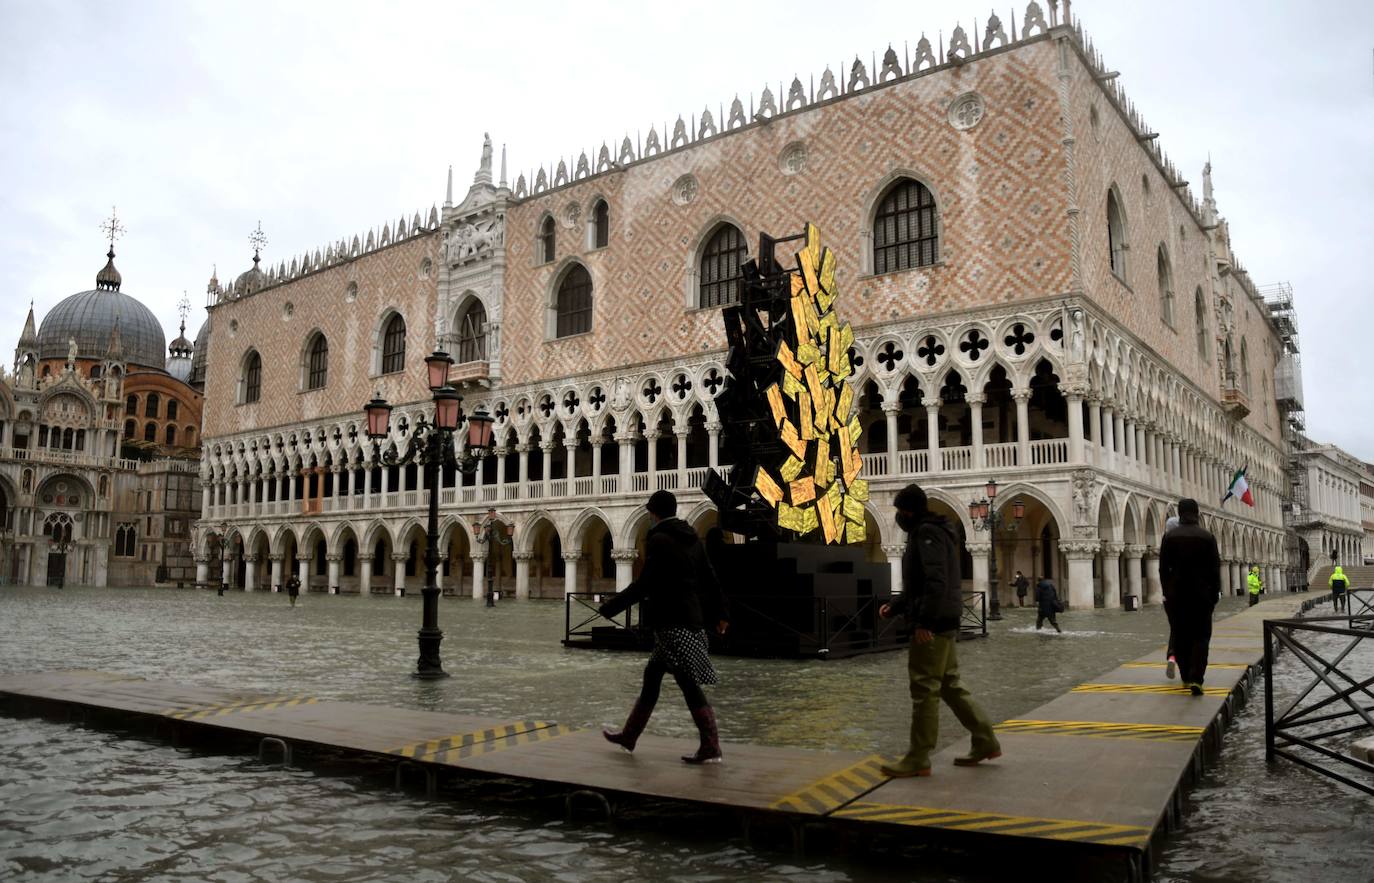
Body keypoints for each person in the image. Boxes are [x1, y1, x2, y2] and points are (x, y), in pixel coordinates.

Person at [878, 483, 1000, 777]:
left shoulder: (925, 532)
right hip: (946, 617)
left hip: (934, 622)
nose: (898, 516)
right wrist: (895, 606)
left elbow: (935, 580)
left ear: (907, 510)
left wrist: (924, 623)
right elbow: (922, 580)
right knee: (949, 684)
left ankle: (919, 757)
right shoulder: (939, 530)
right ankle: (985, 740)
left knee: (924, 688)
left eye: (899, 510)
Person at [599, 490, 729, 765]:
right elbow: (711, 578)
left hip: (672, 621)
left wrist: (612, 607)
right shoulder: (692, 536)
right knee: (652, 676)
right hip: (689, 618)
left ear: (654, 513)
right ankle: (630, 736)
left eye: (649, 512)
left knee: (687, 683)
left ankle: (711, 746)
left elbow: (646, 583)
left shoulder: (658, 539)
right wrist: (721, 613)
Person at [1159, 498, 1221, 696]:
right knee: (1201, 638)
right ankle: (1197, 679)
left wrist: (1167, 592)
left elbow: (1162, 569)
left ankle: (1185, 676)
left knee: (1181, 636)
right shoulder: (1207, 537)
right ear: (1197, 513)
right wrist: (1214, 595)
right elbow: (1215, 569)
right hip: (1202, 597)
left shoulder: (1169, 537)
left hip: (1177, 596)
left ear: (1179, 513)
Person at [1162, 515, 1181, 678]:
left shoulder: (1165, 542)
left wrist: (1165, 593)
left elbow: (1162, 570)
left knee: (1175, 628)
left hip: (1170, 595)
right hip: (1189, 594)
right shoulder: (1187, 542)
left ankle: (1173, 656)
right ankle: (1187, 664)